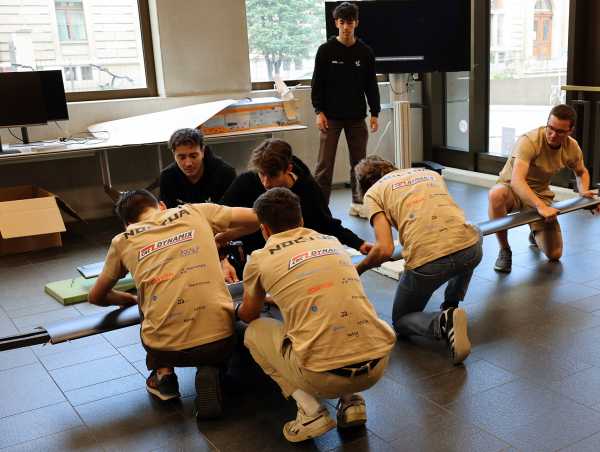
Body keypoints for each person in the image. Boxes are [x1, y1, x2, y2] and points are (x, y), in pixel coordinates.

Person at [237, 187, 395, 442]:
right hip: (378, 365)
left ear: (264, 229)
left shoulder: (259, 258)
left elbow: (249, 313)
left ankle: (310, 412)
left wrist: (232, 307)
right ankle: (352, 401)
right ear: (301, 220)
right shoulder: (331, 242)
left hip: (322, 377)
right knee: (335, 309)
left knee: (254, 333)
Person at [88, 189, 258, 418]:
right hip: (219, 341)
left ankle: (164, 375)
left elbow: (96, 297)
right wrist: (221, 237)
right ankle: (211, 368)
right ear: (161, 206)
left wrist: (128, 299)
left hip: (164, 348)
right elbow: (258, 217)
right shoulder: (195, 211)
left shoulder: (123, 240)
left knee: (148, 294)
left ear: (127, 224)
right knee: (216, 322)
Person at [354, 156, 482, 365]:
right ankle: (452, 302)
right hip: (471, 252)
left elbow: (385, 249)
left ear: (364, 183)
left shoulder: (373, 193)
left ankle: (442, 321)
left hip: (428, 265)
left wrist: (358, 269)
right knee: (471, 232)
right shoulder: (429, 173)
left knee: (401, 320)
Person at [489, 104, 599, 273]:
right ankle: (504, 250)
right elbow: (517, 181)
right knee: (496, 194)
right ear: (547, 123)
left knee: (555, 254)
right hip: (512, 190)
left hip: (540, 193)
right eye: (550, 128)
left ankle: (535, 230)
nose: (553, 135)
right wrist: (541, 207)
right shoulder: (530, 140)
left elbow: (581, 171)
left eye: (560, 132)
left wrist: (583, 191)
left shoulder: (571, 147)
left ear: (570, 131)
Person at [220, 138, 371, 257]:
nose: (265, 182)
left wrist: (359, 244)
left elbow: (327, 224)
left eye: (272, 176)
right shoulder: (247, 181)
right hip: (255, 249)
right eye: (262, 174)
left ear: (288, 169)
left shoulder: (308, 190)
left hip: (295, 251)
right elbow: (220, 215)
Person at [311, 1, 380, 217]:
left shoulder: (365, 52)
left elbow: (371, 85)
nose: (346, 26)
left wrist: (375, 112)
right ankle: (320, 208)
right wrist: (318, 111)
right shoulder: (325, 51)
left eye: (350, 22)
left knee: (360, 165)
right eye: (342, 22)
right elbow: (317, 83)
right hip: (330, 118)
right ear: (336, 23)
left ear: (356, 23)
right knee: (324, 166)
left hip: (357, 117)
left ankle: (359, 204)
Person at [159, 128, 236, 208]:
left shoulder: (225, 173)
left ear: (202, 151)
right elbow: (166, 215)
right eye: (182, 157)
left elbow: (234, 213)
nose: (188, 163)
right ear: (173, 154)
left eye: (193, 156)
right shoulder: (167, 177)